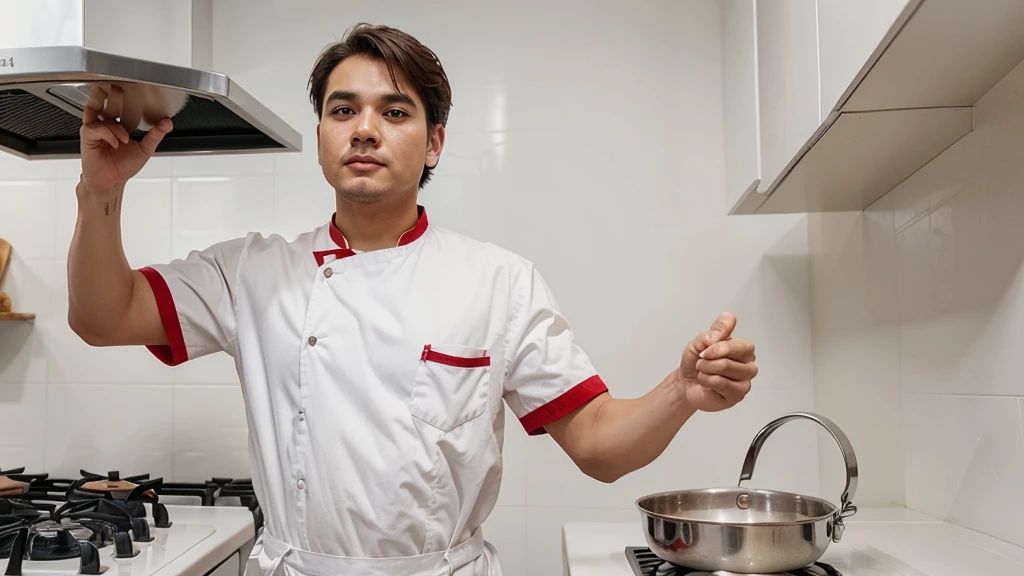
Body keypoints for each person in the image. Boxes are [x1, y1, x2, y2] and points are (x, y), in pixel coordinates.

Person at [67, 23, 758, 576]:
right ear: (321, 139)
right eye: (344, 110)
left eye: (393, 112)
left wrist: (681, 391)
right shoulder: (251, 271)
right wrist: (102, 191)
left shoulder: (497, 282)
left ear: (433, 144)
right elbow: (101, 318)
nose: (364, 128)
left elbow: (599, 447)